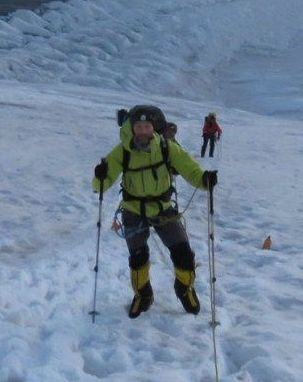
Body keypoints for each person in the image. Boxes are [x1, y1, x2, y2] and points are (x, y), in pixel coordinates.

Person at [93, 105, 217, 318]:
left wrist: (204, 180)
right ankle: (143, 295)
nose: (142, 131)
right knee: (138, 257)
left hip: (163, 209)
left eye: (147, 126)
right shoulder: (122, 151)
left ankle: (184, 289)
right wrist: (100, 176)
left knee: (184, 253)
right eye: (138, 126)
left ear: (154, 128)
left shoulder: (168, 148)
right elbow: (100, 186)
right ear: (132, 129)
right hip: (133, 210)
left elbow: (189, 169)